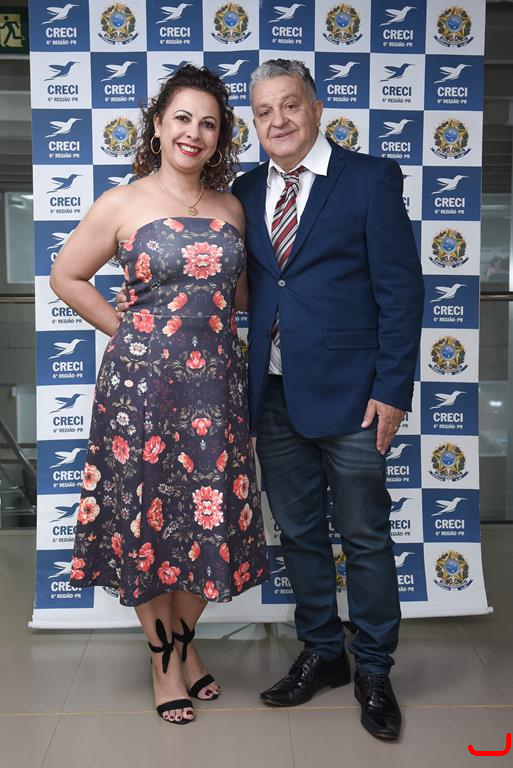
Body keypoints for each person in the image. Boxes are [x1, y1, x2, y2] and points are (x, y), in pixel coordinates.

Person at [50, 64, 269, 726]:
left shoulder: (232, 208)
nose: (193, 132)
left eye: (209, 123)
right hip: (138, 392)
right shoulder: (121, 203)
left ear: (220, 137)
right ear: (156, 125)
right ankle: (162, 659)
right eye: (182, 118)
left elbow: (240, 297)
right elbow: (66, 275)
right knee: (147, 521)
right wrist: (128, 332)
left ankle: (184, 641)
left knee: (208, 519)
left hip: (216, 389)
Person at [232, 59, 424, 740]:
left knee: (365, 535)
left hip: (354, 397)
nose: (277, 121)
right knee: (299, 532)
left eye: (289, 105)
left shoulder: (369, 178)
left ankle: (373, 667)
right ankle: (323, 652)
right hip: (273, 394)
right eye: (263, 112)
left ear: (316, 108)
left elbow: (401, 291)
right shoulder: (244, 189)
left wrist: (392, 390)